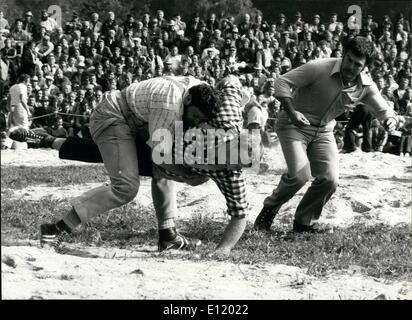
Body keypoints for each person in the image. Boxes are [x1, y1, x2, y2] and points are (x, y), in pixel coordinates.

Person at [33, 76, 256, 255]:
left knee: (138, 164)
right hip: (114, 115)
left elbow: (240, 213)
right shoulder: (175, 106)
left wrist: (223, 249)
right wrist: (191, 177)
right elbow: (160, 158)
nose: (196, 125)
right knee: (126, 186)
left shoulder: (229, 155)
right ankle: (56, 229)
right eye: (196, 119)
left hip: (140, 120)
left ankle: (167, 236)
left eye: (222, 166)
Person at [254, 36, 398, 233]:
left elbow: (384, 110)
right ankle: (267, 212)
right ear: (343, 55)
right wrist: (292, 112)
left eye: (358, 64)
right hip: (293, 125)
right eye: (349, 60)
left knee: (330, 180)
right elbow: (282, 82)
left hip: (323, 132)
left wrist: (390, 120)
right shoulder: (320, 67)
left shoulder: (366, 86)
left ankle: (303, 224)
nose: (351, 67)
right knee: (299, 176)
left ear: (365, 67)